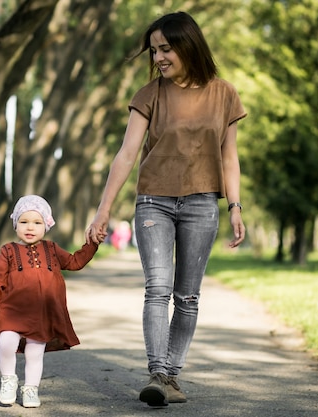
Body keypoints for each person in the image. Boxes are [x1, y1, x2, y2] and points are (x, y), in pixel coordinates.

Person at [85, 11, 247, 407]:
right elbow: (125, 156)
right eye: (154, 50)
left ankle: (171, 377)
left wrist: (236, 207)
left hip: (203, 202)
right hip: (154, 201)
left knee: (187, 297)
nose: (158, 57)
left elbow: (229, 157)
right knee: (157, 289)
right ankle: (158, 373)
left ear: (187, 45)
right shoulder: (150, 94)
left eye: (165, 49)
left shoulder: (223, 93)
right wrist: (104, 210)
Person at [0, 195, 102, 408]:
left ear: (46, 225)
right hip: (12, 310)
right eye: (23, 222)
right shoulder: (9, 250)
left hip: (41, 314)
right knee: (7, 342)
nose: (30, 227)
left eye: (37, 222)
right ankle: (8, 379)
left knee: (35, 353)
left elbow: (74, 262)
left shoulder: (51, 249)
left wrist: (92, 244)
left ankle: (31, 389)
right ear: (15, 224)